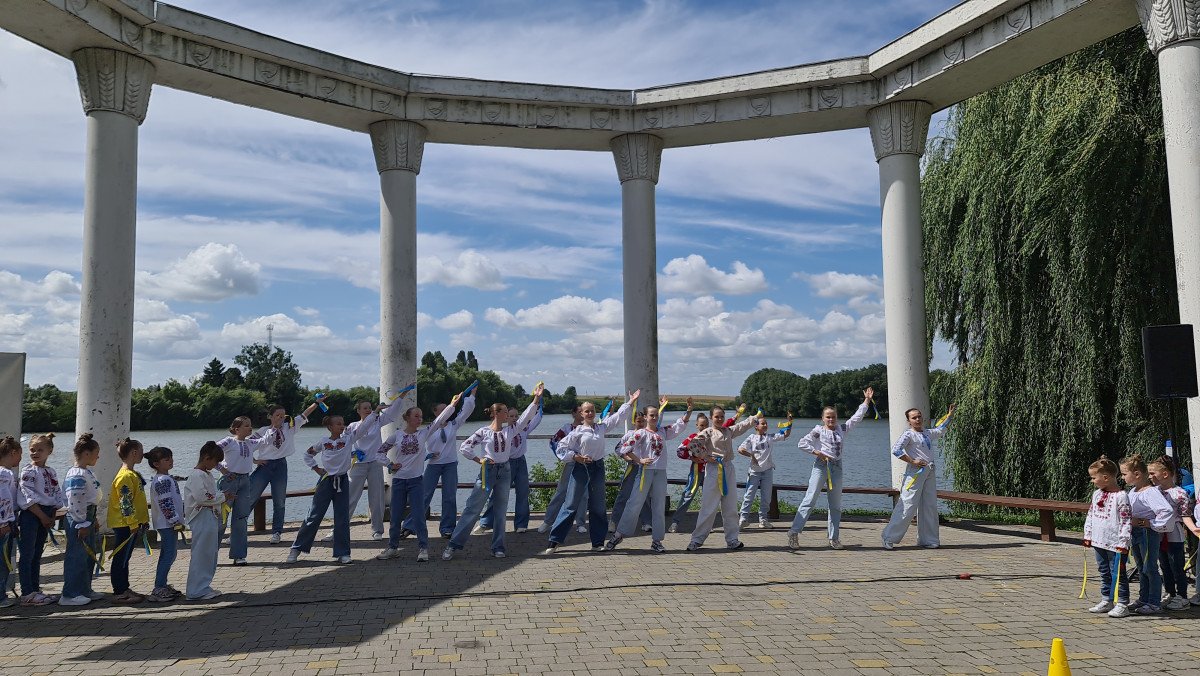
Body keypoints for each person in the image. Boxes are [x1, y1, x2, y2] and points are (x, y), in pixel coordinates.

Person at [443, 386, 544, 560]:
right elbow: (465, 447)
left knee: (500, 511)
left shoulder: (509, 430)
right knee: (473, 508)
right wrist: (478, 459)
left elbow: (526, 417)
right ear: (496, 414)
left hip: (505, 470)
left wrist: (536, 398)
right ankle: (453, 545)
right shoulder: (483, 432)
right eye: (505, 412)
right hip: (487, 472)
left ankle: (498, 547)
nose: (508, 415)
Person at [541, 391, 638, 555]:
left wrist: (630, 401)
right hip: (582, 468)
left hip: (598, 468)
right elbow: (561, 447)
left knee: (598, 505)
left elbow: (618, 417)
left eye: (592, 410)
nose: (590, 413)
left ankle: (597, 542)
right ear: (581, 413)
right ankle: (554, 541)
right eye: (587, 411)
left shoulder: (601, 427)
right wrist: (575, 457)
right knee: (570, 504)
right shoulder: (577, 431)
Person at [375, 389, 464, 563]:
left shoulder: (424, 433)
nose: (420, 419)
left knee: (418, 516)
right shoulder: (396, 435)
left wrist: (453, 405)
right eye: (416, 416)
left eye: (421, 416)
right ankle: (392, 548)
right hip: (399, 481)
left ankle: (423, 548)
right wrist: (390, 464)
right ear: (407, 418)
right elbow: (379, 453)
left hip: (416, 481)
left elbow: (438, 420)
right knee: (395, 517)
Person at [287, 411, 379, 564]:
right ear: (330, 427)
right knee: (314, 516)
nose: (342, 426)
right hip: (326, 481)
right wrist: (316, 468)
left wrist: (374, 413)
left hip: (342, 482)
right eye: (338, 424)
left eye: (343, 423)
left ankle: (343, 553)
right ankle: (296, 548)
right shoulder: (323, 442)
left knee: (342, 518)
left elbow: (363, 427)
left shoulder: (348, 439)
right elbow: (307, 454)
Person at [787, 389, 873, 551]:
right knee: (810, 499)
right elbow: (802, 443)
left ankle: (833, 538)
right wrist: (817, 452)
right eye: (828, 417)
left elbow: (856, 417)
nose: (831, 419)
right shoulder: (818, 430)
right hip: (821, 466)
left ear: (836, 417)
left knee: (835, 505)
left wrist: (866, 401)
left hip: (837, 467)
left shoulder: (842, 428)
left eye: (833, 417)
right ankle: (794, 532)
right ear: (823, 418)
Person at [606, 398, 693, 553]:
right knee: (634, 503)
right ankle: (619, 534)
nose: (654, 417)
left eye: (656, 415)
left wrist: (689, 411)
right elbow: (624, 449)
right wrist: (639, 460)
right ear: (645, 417)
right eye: (651, 415)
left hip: (660, 472)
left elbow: (679, 426)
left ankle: (656, 541)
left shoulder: (662, 432)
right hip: (645, 472)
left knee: (659, 506)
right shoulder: (640, 433)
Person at [247, 399, 324, 545]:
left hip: (281, 466)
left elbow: (304, 414)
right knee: (250, 497)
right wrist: (255, 461)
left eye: (283, 416)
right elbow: (246, 446)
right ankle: (238, 530)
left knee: (279, 501)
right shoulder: (262, 431)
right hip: (265, 466)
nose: (281, 418)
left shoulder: (290, 427)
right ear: (270, 416)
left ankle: (276, 532)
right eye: (277, 415)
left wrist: (316, 402)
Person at [331, 398, 406, 543]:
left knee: (377, 499)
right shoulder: (352, 426)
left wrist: (401, 397)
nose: (368, 410)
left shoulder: (377, 421)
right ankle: (337, 530)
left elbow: (392, 413)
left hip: (375, 464)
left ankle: (377, 530)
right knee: (350, 498)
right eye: (364, 408)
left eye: (369, 407)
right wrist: (353, 453)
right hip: (358, 465)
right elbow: (344, 443)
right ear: (358, 411)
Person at [881, 403, 955, 550]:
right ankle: (888, 537)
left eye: (919, 416)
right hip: (915, 473)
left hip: (929, 471)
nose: (917, 419)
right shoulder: (908, 434)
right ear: (909, 421)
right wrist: (912, 461)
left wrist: (950, 415)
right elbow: (896, 450)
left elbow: (941, 429)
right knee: (907, 504)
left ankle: (928, 539)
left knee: (929, 505)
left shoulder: (927, 432)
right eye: (914, 418)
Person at [686, 406, 759, 551]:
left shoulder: (728, 431)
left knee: (730, 506)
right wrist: (706, 457)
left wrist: (754, 418)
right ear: (711, 418)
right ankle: (697, 539)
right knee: (709, 507)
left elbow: (741, 426)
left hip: (728, 468)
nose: (719, 419)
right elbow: (692, 445)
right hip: (714, 469)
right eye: (716, 417)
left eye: (721, 416)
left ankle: (732, 539)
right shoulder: (708, 432)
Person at [405, 391, 476, 539]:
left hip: (450, 464)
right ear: (435, 412)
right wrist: (427, 455)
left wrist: (471, 395)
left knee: (449, 496)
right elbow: (417, 447)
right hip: (434, 465)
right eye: (443, 409)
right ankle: (410, 526)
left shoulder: (453, 424)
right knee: (424, 495)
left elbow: (466, 411)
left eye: (448, 408)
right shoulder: (430, 428)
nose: (447, 411)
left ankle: (447, 528)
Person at [477, 398, 544, 535]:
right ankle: (486, 523)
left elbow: (535, 419)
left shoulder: (524, 429)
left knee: (523, 492)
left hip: (521, 462)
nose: (514, 418)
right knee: (498, 494)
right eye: (511, 416)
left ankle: (521, 524)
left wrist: (539, 403)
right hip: (506, 463)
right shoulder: (504, 432)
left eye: (516, 416)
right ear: (506, 417)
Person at [1121, 453, 1177, 615]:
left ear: (1137, 474)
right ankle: (1144, 598)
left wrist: (1149, 523)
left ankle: (1154, 602)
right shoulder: (1133, 491)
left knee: (1149, 567)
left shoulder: (1151, 492)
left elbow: (1166, 511)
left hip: (1147, 533)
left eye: (1124, 474)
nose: (1122, 477)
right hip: (1136, 532)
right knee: (1141, 567)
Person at [1081, 455, 1132, 618]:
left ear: (1105, 477)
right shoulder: (1096, 494)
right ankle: (1107, 599)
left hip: (1115, 543)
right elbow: (1091, 514)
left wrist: (1123, 541)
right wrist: (1088, 534)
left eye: (1093, 477)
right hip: (1099, 541)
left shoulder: (1121, 496)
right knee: (1104, 571)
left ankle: (1122, 603)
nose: (1092, 481)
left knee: (1118, 573)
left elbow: (1125, 520)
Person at [17, 433, 63, 606]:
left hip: (47, 512)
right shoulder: (29, 471)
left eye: (39, 450)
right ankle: (27, 592)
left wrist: (52, 514)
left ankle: (35, 589)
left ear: (49, 451)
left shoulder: (51, 471)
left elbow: (56, 493)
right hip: (32, 513)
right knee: (27, 554)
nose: (35, 453)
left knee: (37, 554)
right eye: (32, 450)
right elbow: (27, 495)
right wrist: (42, 516)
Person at [59, 433, 102, 606]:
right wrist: (81, 523)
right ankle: (70, 594)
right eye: (96, 453)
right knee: (76, 556)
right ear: (86, 453)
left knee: (88, 555)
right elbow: (75, 500)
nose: (98, 457)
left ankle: (84, 589)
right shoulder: (76, 474)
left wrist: (93, 519)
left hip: (88, 516)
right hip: (79, 518)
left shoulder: (86, 472)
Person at [184, 441, 230, 600]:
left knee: (209, 553)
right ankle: (195, 590)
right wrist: (223, 497)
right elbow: (202, 497)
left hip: (209, 516)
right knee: (201, 553)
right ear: (206, 458)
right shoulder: (196, 475)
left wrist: (221, 497)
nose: (216, 465)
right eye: (215, 462)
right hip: (200, 516)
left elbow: (210, 496)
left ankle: (203, 585)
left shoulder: (207, 475)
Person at [107, 437, 149, 603]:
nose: (143, 454)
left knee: (125, 558)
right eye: (141, 451)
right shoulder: (125, 476)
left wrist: (142, 520)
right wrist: (132, 523)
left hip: (131, 523)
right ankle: (119, 591)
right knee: (121, 558)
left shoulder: (132, 474)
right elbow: (125, 503)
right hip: (124, 524)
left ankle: (124, 587)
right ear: (133, 453)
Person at [538, 405, 587, 535]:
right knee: (561, 491)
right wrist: (562, 456)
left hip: (585, 463)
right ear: (573, 414)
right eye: (580, 412)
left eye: (584, 412)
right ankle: (548, 521)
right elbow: (554, 441)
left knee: (583, 494)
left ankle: (580, 523)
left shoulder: (588, 428)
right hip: (571, 462)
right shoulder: (566, 428)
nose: (582, 414)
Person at [1148, 456, 1190, 610]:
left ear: (1165, 474)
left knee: (1177, 566)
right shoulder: (1153, 492)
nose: (1150, 477)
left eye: (1153, 473)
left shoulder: (1179, 493)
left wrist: (1192, 528)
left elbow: (1185, 514)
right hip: (1159, 534)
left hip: (1174, 534)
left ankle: (1182, 596)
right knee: (1164, 565)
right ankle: (1170, 593)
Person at [738, 413, 792, 529]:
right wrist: (751, 455)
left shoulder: (770, 437)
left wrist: (790, 423)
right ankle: (743, 519)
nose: (765, 425)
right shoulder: (751, 438)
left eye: (766, 423)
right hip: (754, 471)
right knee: (749, 495)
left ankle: (763, 520)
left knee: (766, 497)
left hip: (767, 471)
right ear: (756, 426)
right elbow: (740, 449)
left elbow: (786, 434)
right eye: (763, 423)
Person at [146, 446, 185, 602]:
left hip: (167, 523)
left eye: (171, 458)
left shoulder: (164, 479)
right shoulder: (163, 480)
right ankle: (159, 587)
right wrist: (175, 520)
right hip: (167, 523)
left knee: (170, 554)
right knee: (168, 555)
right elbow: (165, 502)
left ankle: (162, 584)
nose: (171, 461)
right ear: (156, 464)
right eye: (166, 459)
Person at [608, 411, 648, 533]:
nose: (641, 423)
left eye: (643, 421)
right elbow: (618, 448)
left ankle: (646, 522)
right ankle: (614, 521)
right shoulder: (629, 434)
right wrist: (627, 458)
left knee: (644, 496)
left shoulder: (648, 434)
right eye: (638, 421)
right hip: (632, 468)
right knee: (624, 495)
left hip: (645, 468)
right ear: (634, 421)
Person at [668, 414, 709, 533]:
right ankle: (675, 522)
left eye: (706, 425)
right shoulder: (692, 437)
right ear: (697, 425)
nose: (704, 427)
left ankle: (706, 524)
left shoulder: (712, 437)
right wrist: (692, 458)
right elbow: (680, 451)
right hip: (697, 471)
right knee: (688, 495)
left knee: (709, 498)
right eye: (702, 425)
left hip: (711, 471)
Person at [0, 436, 21, 609]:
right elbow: (4, 499)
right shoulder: (5, 474)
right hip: (4, 522)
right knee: (3, 560)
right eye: (20, 455)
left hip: (6, 520)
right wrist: (4, 523)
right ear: (13, 453)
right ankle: (0, 596)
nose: (20, 459)